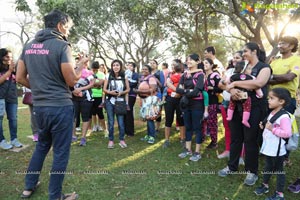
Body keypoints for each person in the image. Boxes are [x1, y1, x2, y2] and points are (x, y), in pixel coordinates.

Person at [16, 9, 88, 199]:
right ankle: (55, 196)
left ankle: (28, 187)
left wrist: (40, 88)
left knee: (42, 146)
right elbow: (72, 80)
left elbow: (20, 77)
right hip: (59, 107)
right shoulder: (62, 45)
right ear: (60, 26)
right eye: (68, 27)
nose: (69, 32)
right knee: (61, 152)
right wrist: (81, 65)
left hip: (39, 108)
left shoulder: (29, 45)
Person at [218, 42, 271, 186]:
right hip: (236, 107)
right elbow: (222, 83)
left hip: (254, 108)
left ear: (254, 51)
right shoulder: (241, 66)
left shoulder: (264, 68)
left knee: (250, 140)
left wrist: (235, 85)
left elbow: (258, 83)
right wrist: (231, 90)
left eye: (246, 51)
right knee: (236, 138)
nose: (243, 54)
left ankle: (251, 172)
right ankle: (232, 166)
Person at [254, 88, 292, 200]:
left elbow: (287, 133)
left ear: (281, 101)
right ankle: (265, 185)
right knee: (268, 166)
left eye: (271, 98)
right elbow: (270, 123)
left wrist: (272, 129)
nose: (268, 100)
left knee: (279, 171)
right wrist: (264, 125)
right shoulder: (272, 112)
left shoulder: (284, 117)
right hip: (270, 147)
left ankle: (280, 194)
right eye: (268, 98)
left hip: (277, 150)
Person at [269, 36, 300, 166]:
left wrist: (273, 77)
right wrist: (279, 78)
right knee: (271, 126)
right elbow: (266, 78)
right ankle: (271, 152)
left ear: (292, 46)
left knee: (284, 129)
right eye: (280, 43)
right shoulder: (274, 61)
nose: (280, 45)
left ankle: (284, 157)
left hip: (287, 100)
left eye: (284, 43)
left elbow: (289, 77)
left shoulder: (297, 60)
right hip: (270, 99)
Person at [176, 53, 206, 162]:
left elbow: (197, 91)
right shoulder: (185, 74)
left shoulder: (200, 75)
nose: (188, 62)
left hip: (197, 104)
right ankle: (188, 150)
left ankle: (197, 152)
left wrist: (185, 91)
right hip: (186, 104)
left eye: (191, 60)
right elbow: (178, 89)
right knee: (188, 127)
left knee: (197, 128)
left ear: (198, 61)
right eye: (187, 60)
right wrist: (188, 91)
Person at [218, 51, 245, 164]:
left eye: (237, 58)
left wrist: (227, 86)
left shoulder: (246, 72)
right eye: (233, 57)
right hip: (226, 102)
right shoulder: (229, 71)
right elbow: (220, 84)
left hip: (240, 104)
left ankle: (242, 156)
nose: (234, 59)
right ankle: (228, 150)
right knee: (228, 128)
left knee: (241, 131)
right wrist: (230, 88)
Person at [226, 60, 263, 128]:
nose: (250, 70)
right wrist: (260, 94)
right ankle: (245, 120)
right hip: (246, 96)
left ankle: (229, 116)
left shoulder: (233, 76)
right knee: (247, 108)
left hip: (234, 95)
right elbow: (257, 87)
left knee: (231, 105)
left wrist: (229, 88)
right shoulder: (251, 77)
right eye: (249, 68)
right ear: (244, 69)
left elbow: (226, 82)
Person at [103, 59, 130, 148]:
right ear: (112, 66)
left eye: (117, 65)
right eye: (114, 65)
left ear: (120, 66)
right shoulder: (108, 75)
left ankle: (121, 139)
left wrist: (121, 93)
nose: (115, 67)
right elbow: (104, 89)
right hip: (110, 101)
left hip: (120, 102)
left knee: (121, 122)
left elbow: (128, 89)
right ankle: (111, 140)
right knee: (111, 121)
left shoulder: (124, 75)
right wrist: (111, 93)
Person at [0, 48, 23, 150]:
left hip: (12, 97)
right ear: (1, 57)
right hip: (1, 97)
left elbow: (19, 80)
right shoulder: (6, 70)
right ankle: (2, 140)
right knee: (0, 119)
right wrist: (9, 71)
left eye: (11, 57)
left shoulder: (14, 69)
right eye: (7, 57)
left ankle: (14, 139)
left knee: (13, 119)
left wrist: (14, 70)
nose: (9, 59)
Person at [71, 60, 95, 146]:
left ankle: (83, 137)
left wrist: (80, 89)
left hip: (86, 98)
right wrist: (73, 91)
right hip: (73, 98)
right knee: (73, 117)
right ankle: (73, 135)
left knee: (85, 117)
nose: (79, 64)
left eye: (82, 62)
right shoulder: (72, 72)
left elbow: (92, 84)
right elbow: (69, 83)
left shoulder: (89, 73)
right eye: (77, 62)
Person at [163, 59, 185, 148]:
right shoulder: (169, 74)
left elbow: (185, 86)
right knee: (168, 119)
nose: (173, 66)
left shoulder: (184, 75)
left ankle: (183, 139)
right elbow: (167, 84)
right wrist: (176, 91)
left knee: (181, 119)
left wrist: (179, 93)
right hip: (170, 99)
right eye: (172, 65)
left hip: (180, 99)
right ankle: (166, 140)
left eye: (174, 65)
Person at [135, 64, 159, 144]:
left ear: (149, 71)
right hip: (144, 100)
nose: (144, 71)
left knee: (150, 118)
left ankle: (152, 136)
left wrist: (139, 91)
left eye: (146, 69)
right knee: (147, 118)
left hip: (150, 100)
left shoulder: (151, 78)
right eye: (143, 69)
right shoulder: (143, 78)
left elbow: (153, 89)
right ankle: (148, 135)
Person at [203, 58, 222, 149]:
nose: (204, 64)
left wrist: (212, 89)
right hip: (201, 102)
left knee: (212, 122)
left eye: (206, 63)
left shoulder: (215, 75)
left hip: (212, 102)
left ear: (211, 65)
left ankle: (214, 142)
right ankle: (202, 137)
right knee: (202, 121)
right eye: (204, 63)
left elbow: (221, 88)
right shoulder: (202, 76)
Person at [90, 61, 106, 134]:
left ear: (98, 68)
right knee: (93, 112)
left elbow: (100, 84)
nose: (94, 71)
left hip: (99, 96)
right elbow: (89, 84)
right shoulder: (89, 73)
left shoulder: (101, 74)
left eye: (96, 69)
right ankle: (95, 125)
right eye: (93, 69)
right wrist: (95, 85)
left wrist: (93, 84)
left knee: (100, 112)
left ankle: (101, 126)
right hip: (91, 95)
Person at [149, 59, 165, 134]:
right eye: (150, 63)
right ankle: (151, 127)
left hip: (158, 93)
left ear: (156, 64)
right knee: (150, 111)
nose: (152, 64)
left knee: (158, 110)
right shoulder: (148, 72)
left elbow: (162, 84)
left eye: (153, 63)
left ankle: (157, 128)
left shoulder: (160, 72)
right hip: (149, 94)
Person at [124, 62, 139, 137]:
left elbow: (133, 84)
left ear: (134, 67)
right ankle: (124, 130)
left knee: (129, 111)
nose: (129, 67)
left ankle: (130, 131)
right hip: (124, 95)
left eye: (131, 65)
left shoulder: (135, 75)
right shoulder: (124, 73)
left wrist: (127, 81)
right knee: (124, 112)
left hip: (131, 95)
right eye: (128, 65)